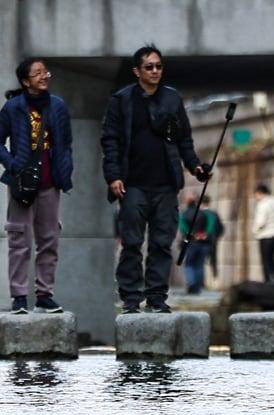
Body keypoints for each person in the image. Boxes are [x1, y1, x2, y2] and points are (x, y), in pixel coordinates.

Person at [101, 45, 209, 314]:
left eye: (159, 66)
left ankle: (157, 297)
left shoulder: (172, 99)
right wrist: (113, 175)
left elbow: (184, 139)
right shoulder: (122, 100)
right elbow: (110, 140)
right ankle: (130, 299)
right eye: (149, 67)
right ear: (137, 71)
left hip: (165, 185)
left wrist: (195, 166)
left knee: (162, 243)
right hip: (132, 184)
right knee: (132, 243)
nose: (155, 71)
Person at [0, 58, 74, 314]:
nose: (43, 76)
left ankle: (44, 294)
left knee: (49, 241)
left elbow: (67, 143)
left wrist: (65, 168)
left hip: (51, 183)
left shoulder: (58, 106)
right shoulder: (13, 107)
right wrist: (13, 165)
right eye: (37, 73)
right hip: (21, 184)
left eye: (45, 72)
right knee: (19, 240)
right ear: (25, 81)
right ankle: (18, 296)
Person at [178, 192, 217, 294]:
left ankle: (191, 283)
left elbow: (182, 227)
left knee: (189, 264)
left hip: (191, 243)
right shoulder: (204, 213)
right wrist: (205, 234)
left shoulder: (185, 214)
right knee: (199, 265)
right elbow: (211, 223)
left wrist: (192, 234)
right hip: (204, 243)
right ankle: (198, 287)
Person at [252, 184, 274, 283]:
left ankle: (268, 281)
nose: (256, 197)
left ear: (260, 193)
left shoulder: (262, 204)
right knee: (272, 259)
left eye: (256, 195)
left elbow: (260, 222)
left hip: (265, 235)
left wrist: (254, 230)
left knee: (266, 260)